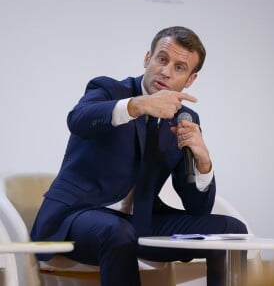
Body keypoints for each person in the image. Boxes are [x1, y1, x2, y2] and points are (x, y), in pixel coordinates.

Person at [31, 26, 247, 286]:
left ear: (191, 79)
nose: (166, 72)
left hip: (142, 223)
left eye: (179, 67)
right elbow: (78, 119)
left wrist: (203, 162)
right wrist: (138, 105)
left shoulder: (185, 119)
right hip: (79, 216)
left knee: (231, 231)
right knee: (118, 232)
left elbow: (197, 208)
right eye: (162, 59)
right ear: (148, 58)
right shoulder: (108, 89)